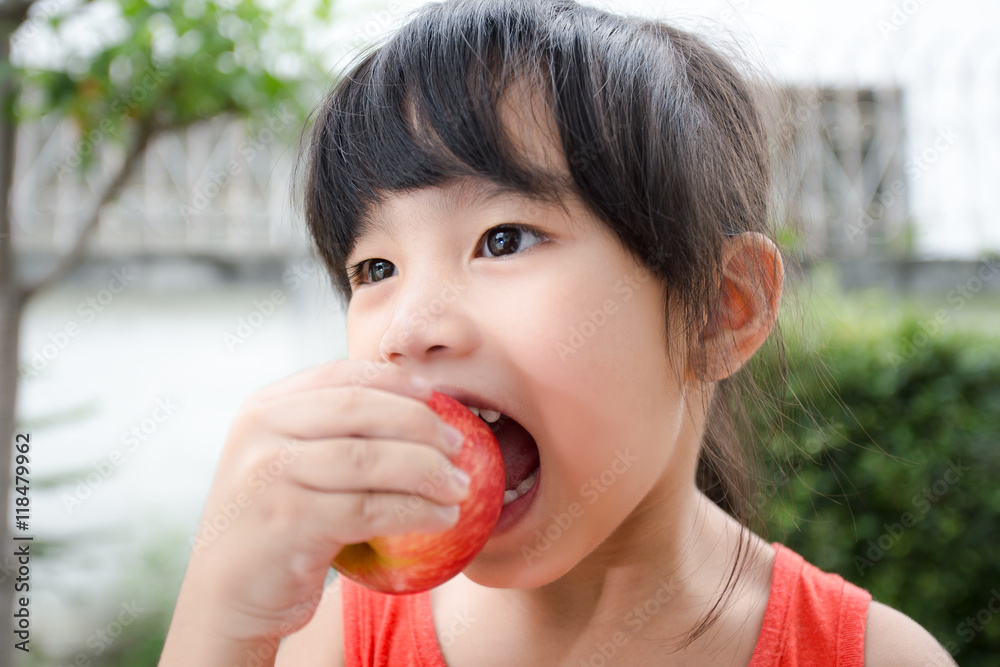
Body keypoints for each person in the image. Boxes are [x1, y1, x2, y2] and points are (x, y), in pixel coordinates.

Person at [160, 1, 957, 664]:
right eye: (374, 269)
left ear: (723, 308)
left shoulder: (872, 655)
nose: (408, 328)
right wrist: (217, 631)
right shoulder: (327, 645)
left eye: (503, 237)